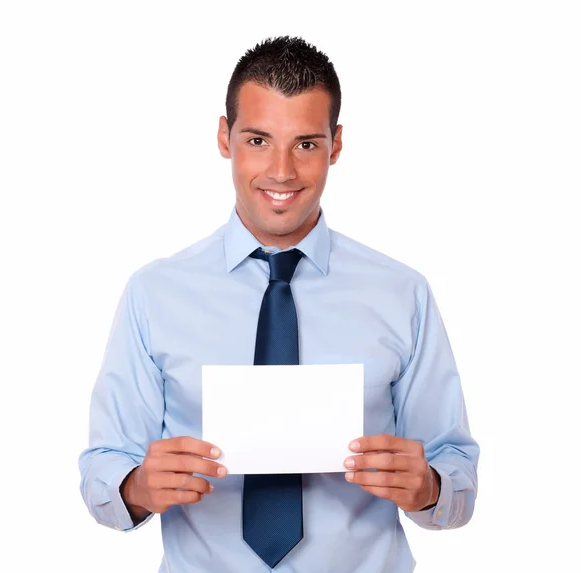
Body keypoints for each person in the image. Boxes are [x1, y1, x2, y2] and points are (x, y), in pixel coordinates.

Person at [79, 35, 479, 572]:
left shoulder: (402, 293)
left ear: (336, 145)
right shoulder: (154, 293)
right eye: (259, 140)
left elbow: (456, 473)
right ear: (225, 137)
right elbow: (104, 468)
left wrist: (429, 486)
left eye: (307, 144)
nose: (282, 172)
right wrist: (137, 487)